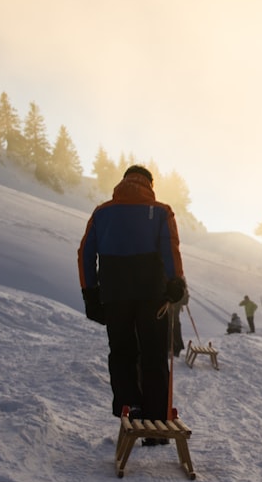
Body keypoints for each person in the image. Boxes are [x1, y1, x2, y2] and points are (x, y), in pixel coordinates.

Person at [78, 165, 187, 446]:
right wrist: (176, 282)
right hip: (152, 295)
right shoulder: (161, 211)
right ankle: (155, 425)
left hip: (115, 296)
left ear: (124, 181)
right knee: (153, 356)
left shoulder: (102, 212)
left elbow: (85, 254)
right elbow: (170, 248)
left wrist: (90, 293)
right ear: (150, 184)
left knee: (122, 352)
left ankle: (130, 407)